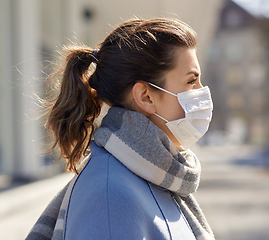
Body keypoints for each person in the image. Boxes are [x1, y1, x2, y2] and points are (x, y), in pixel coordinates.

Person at [26, 18, 215, 240]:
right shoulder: (109, 198)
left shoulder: (156, 175)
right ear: (146, 97)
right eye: (191, 81)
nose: (202, 92)